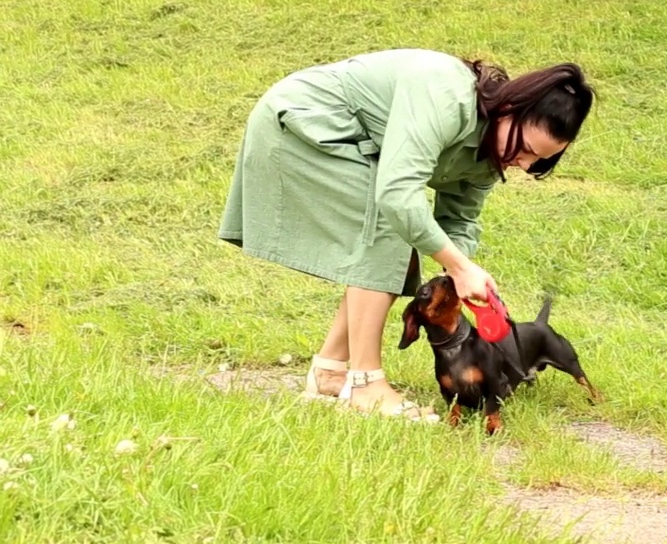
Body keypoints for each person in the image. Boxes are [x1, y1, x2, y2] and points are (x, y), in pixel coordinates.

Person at [217, 48, 594, 421]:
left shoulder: (492, 152)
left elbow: (458, 223)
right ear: (511, 110)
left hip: (351, 144)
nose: (524, 164)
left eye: (538, 161)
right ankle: (365, 385)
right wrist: (460, 268)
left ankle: (329, 372)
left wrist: (456, 274)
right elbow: (397, 195)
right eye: (526, 148)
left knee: (398, 238)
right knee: (388, 229)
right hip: (305, 123)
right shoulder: (446, 96)